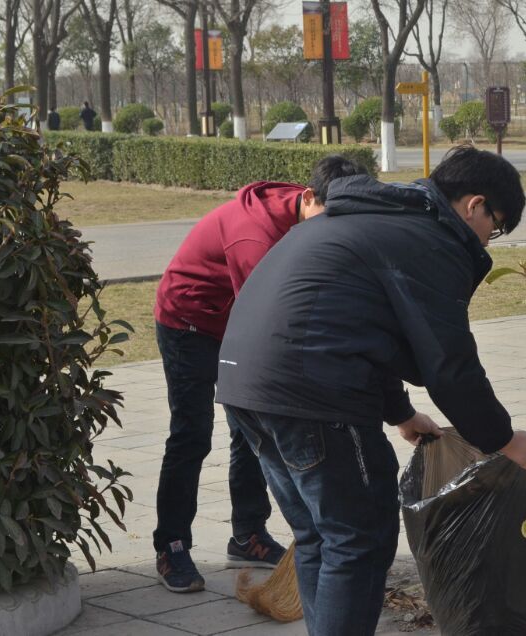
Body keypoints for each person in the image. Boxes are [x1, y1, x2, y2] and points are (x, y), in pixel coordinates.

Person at [215, 145, 526, 636]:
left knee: (319, 537)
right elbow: (449, 363)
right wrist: (505, 440)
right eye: (494, 228)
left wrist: (401, 413)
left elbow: (365, 326)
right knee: (358, 539)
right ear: (475, 205)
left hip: (244, 384)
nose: (487, 241)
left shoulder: (375, 217)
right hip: (313, 392)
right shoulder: (430, 239)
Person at [152, 156, 368, 594]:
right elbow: (271, 318)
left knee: (251, 427)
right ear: (308, 197)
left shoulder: (309, 211)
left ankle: (247, 535)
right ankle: (171, 546)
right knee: (192, 434)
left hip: (235, 317)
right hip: (189, 323)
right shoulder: (256, 237)